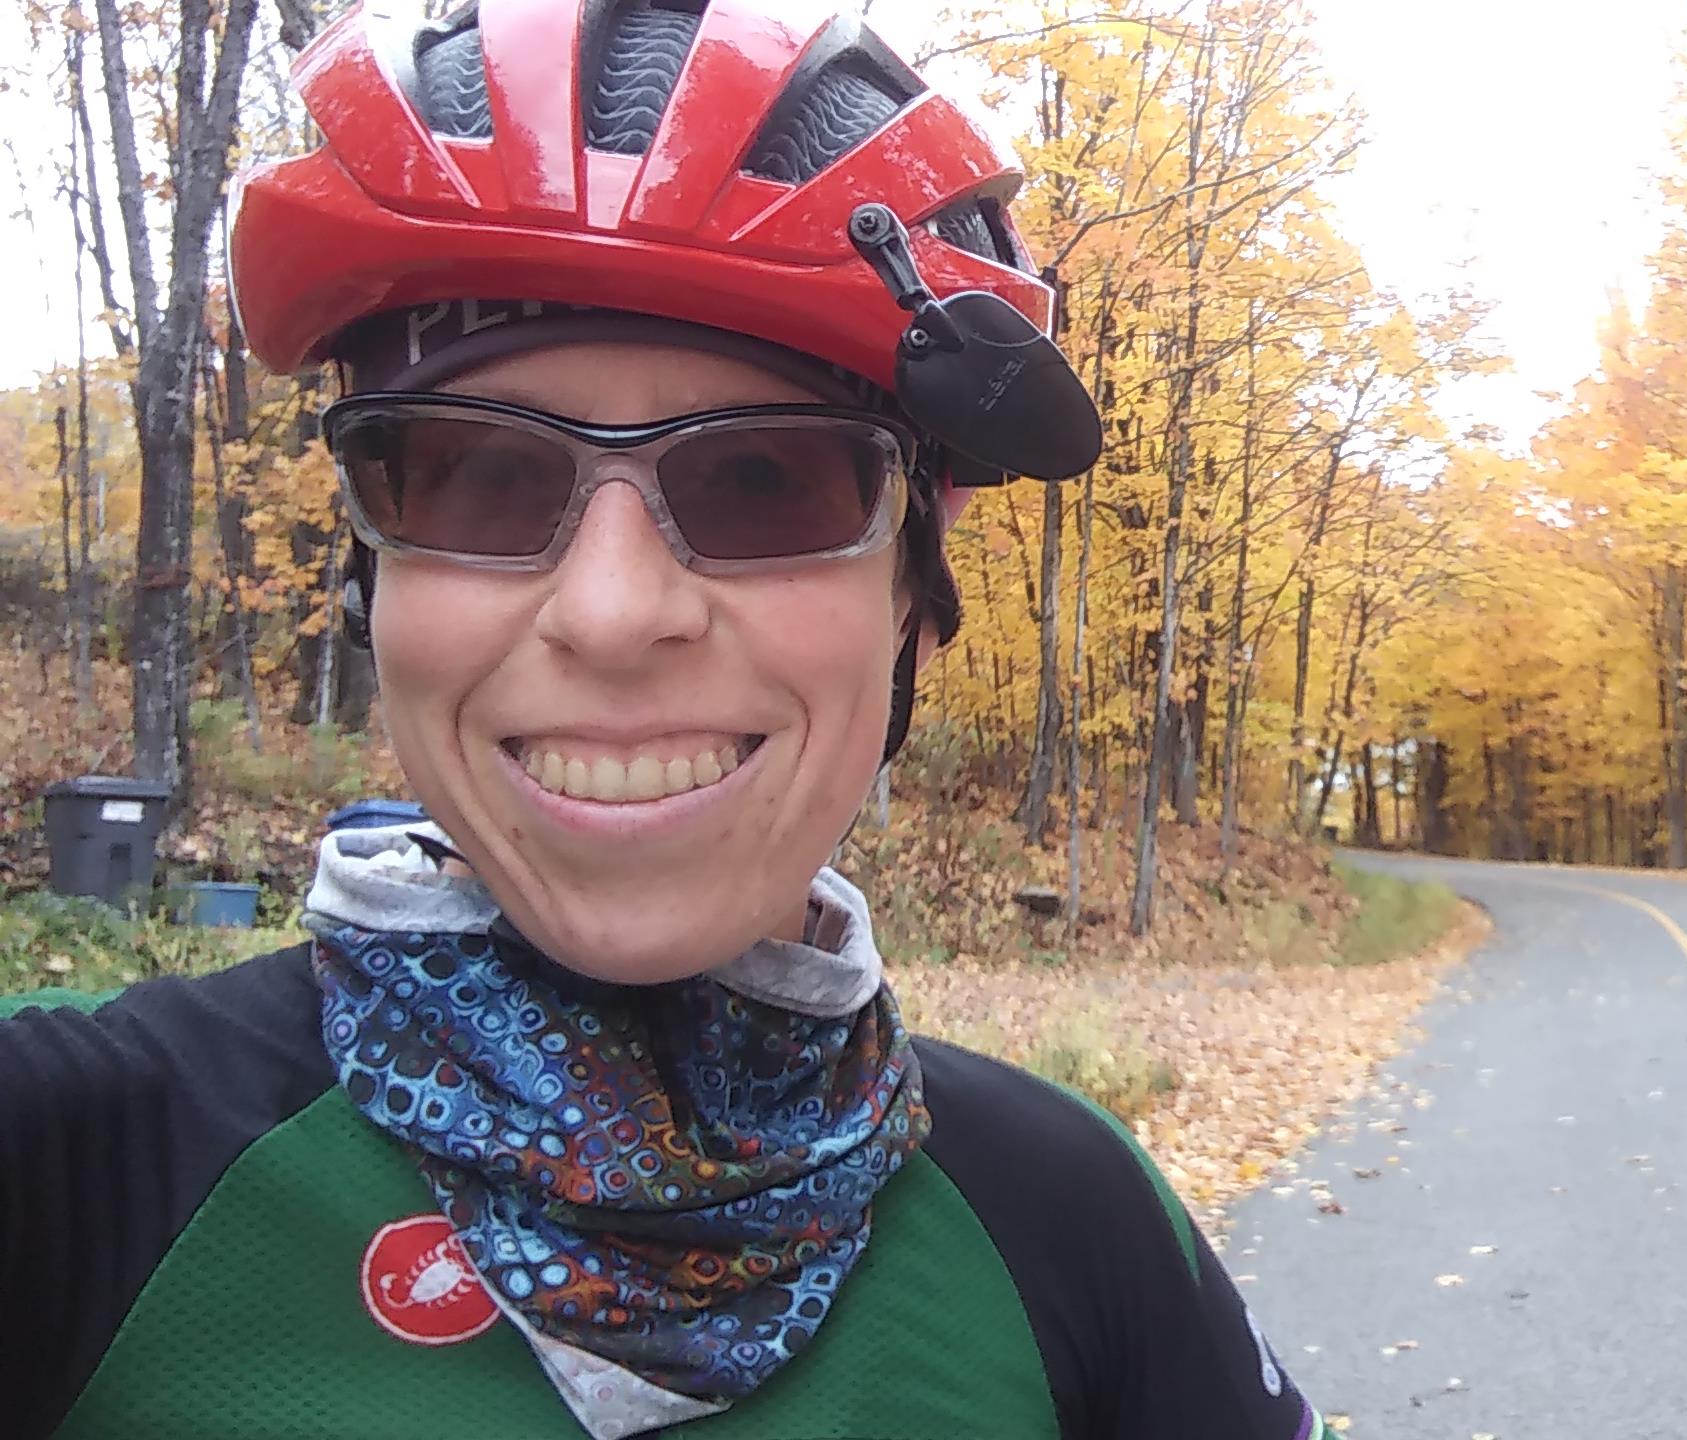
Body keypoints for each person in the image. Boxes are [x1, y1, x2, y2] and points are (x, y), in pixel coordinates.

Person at [0, 4, 1331, 1436]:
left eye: (768, 481)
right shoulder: (75, 1169)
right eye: (471, 477)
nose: (616, 611)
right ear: (367, 588)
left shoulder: (1071, 1226)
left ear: (912, 609)